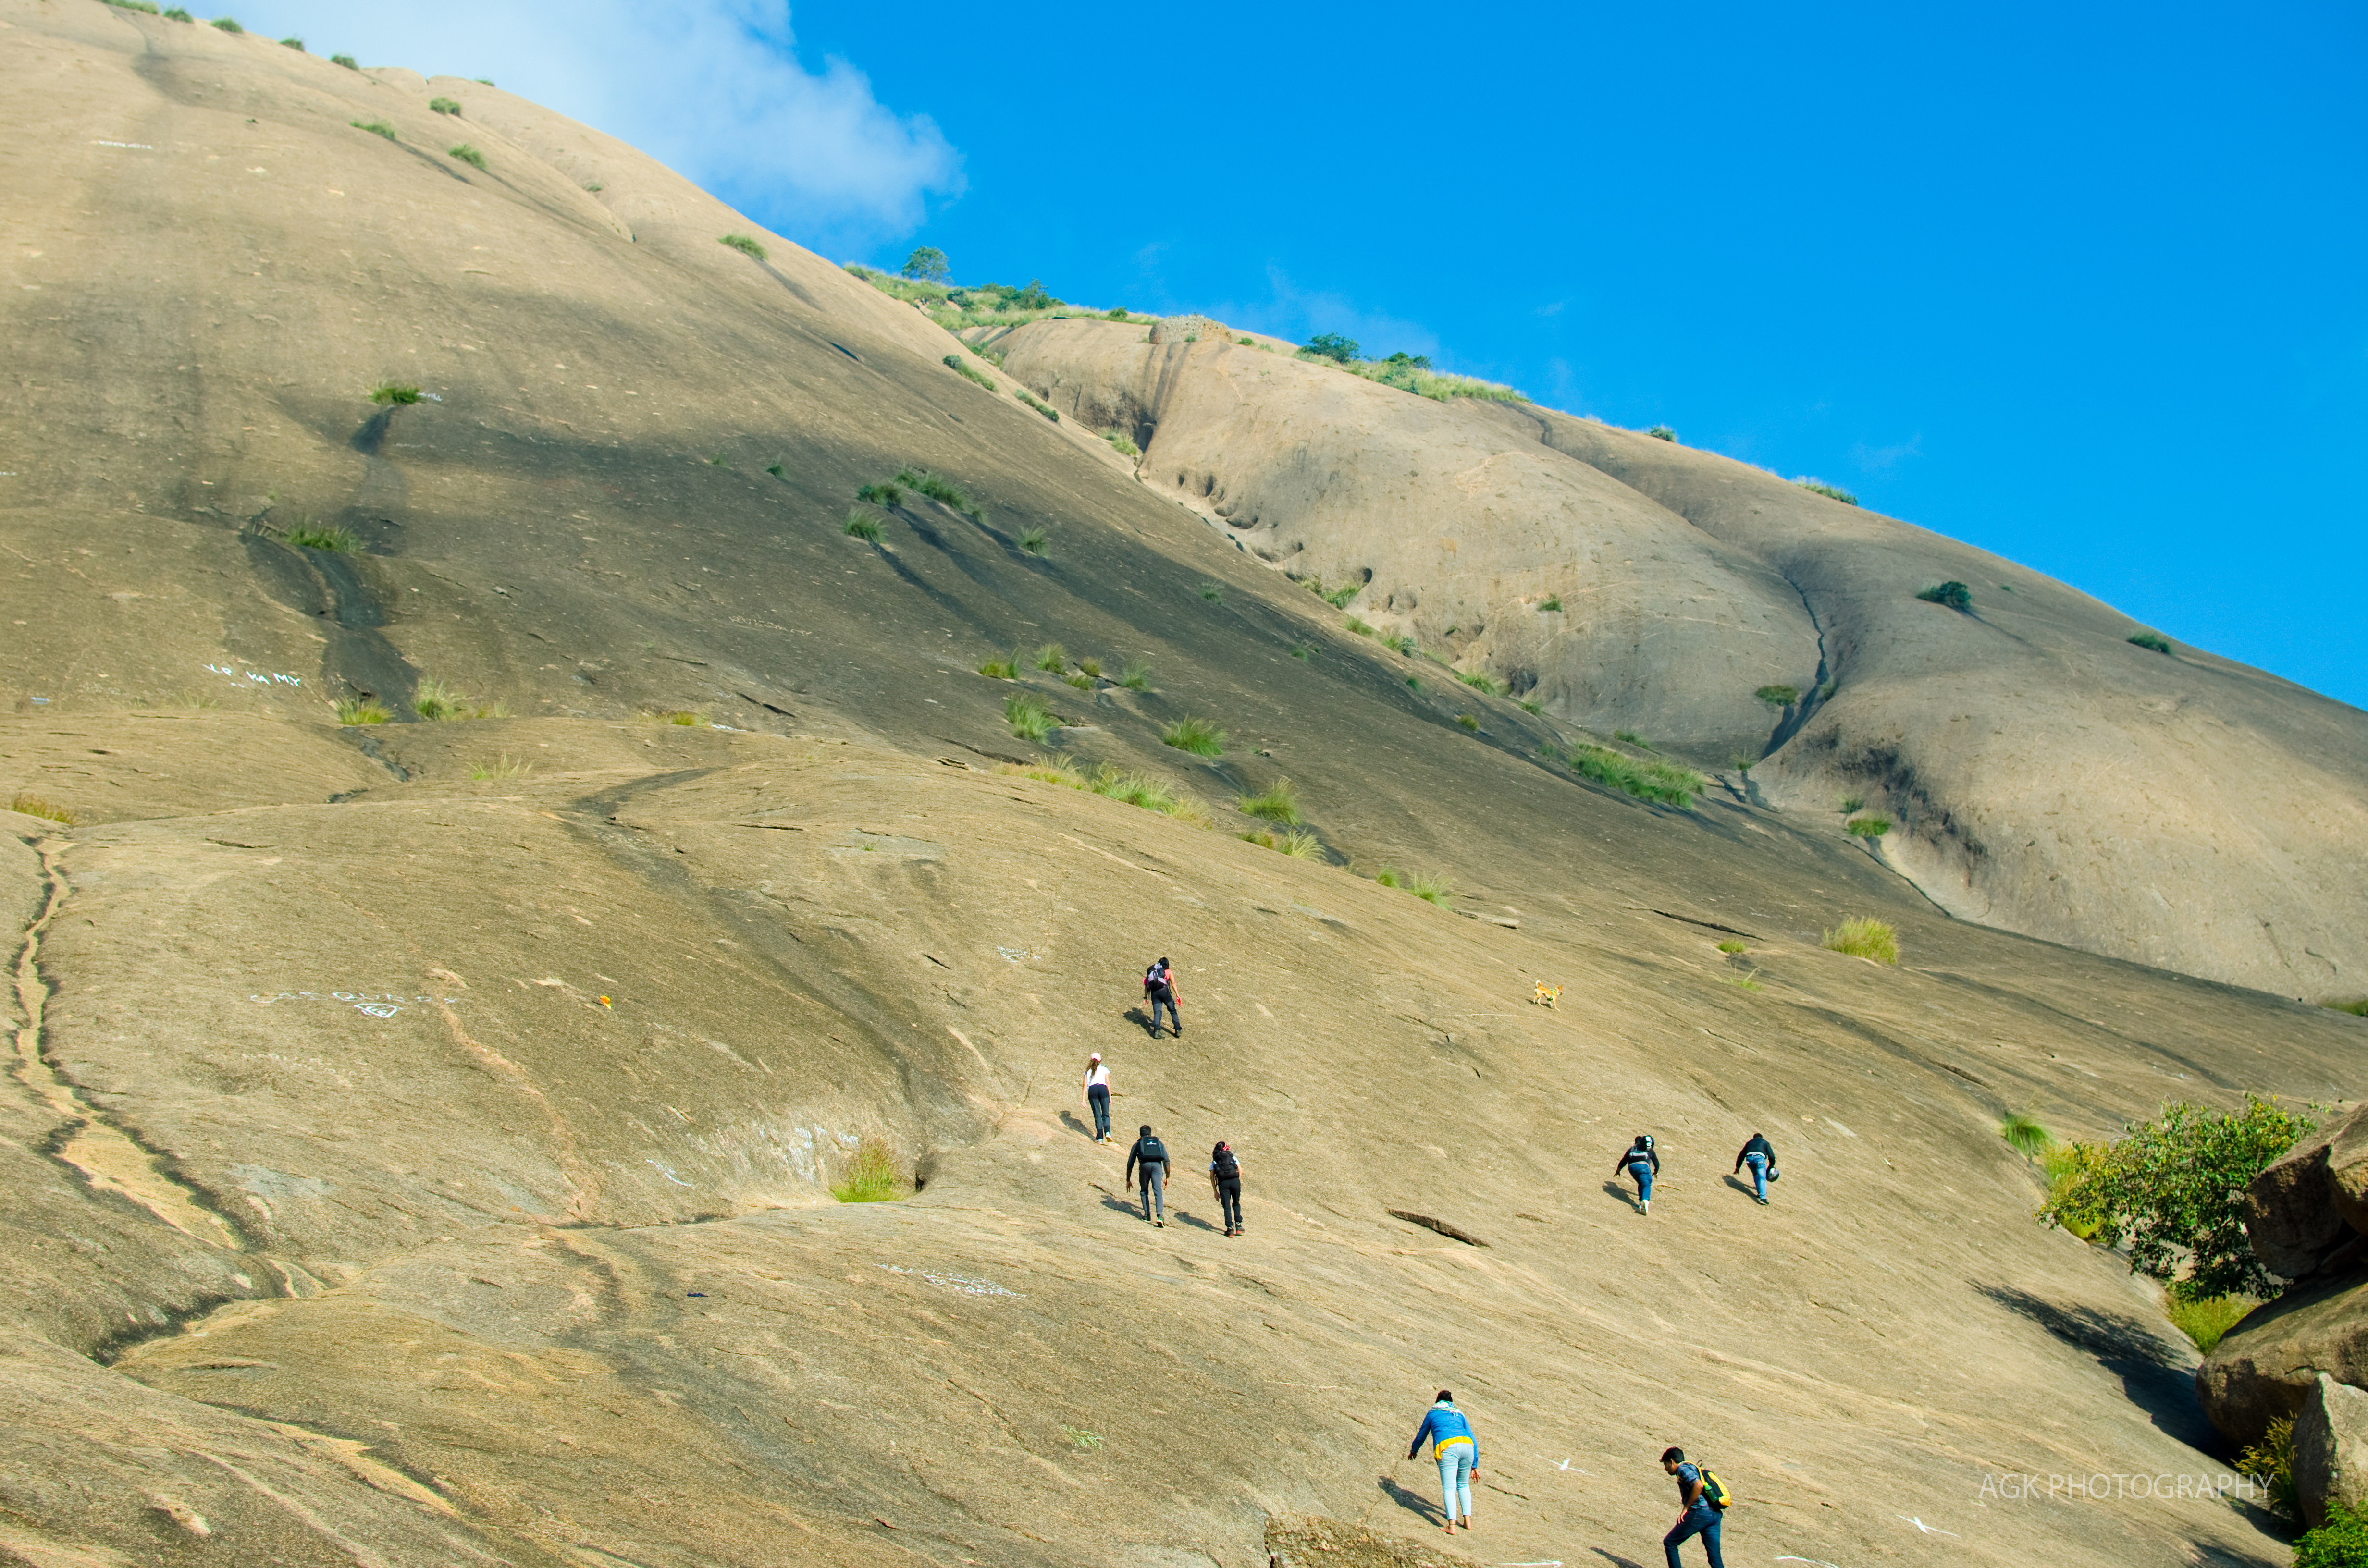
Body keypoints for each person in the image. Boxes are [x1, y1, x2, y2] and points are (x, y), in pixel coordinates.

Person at [1406, 1390, 1479, 1535]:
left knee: (1449, 1487)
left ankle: (1452, 1526)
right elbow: (1473, 1437)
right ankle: (1468, 1521)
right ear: (1451, 1402)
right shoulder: (1459, 1414)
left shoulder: (1433, 1413)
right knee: (1463, 1485)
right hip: (1467, 1445)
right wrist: (1474, 1465)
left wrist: (1414, 1450)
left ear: (1437, 1401)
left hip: (1447, 1447)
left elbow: (1422, 1434)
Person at [1660, 1447, 1725, 1568]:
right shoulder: (1693, 1467)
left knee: (1670, 1542)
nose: (1665, 1469)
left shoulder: (1682, 1469)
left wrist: (1685, 1508)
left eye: (1666, 1464)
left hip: (1701, 1513)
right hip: (1714, 1515)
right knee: (1715, 1558)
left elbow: (1698, 1485)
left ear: (1672, 1461)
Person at [1125, 1124, 1170, 1225]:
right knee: (1158, 1191)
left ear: (1140, 1135)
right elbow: (1166, 1160)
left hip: (1144, 1166)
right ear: (1151, 1134)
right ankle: (1160, 1216)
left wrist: (1128, 1179)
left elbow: (1130, 1163)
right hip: (1157, 1167)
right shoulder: (1159, 1143)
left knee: (1144, 1191)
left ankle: (1147, 1215)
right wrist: (1168, 1177)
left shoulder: (1138, 1144)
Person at [1615, 1133, 1660, 1214]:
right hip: (1643, 1167)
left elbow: (1624, 1161)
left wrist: (1618, 1171)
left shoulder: (1632, 1149)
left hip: (1632, 1169)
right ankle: (1645, 1201)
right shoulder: (1650, 1151)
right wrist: (1656, 1171)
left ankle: (1641, 1203)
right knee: (1647, 1183)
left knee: (1641, 1183)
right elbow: (1656, 1162)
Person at [1732, 1132, 1777, 1205]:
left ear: (1754, 1138)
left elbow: (1741, 1155)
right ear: (1761, 1138)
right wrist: (1771, 1166)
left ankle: (1760, 1193)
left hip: (1749, 1159)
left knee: (1756, 1175)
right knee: (1762, 1177)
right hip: (1759, 1158)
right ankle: (1763, 1198)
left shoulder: (1749, 1143)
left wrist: (1738, 1167)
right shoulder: (1765, 1142)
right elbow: (1771, 1156)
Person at [1209, 1140, 1244, 1237]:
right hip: (1235, 1181)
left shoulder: (1215, 1160)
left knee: (1227, 1206)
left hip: (1223, 1184)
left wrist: (1215, 1191)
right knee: (1236, 1203)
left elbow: (1212, 1176)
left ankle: (1230, 1229)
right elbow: (1241, 1171)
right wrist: (1238, 1181)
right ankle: (1239, 1226)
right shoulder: (1232, 1157)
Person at [1144, 957, 1181, 1039]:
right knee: (1172, 1010)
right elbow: (1173, 984)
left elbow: (1147, 985)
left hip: (1154, 994)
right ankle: (1178, 1029)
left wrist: (1146, 997)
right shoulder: (1169, 972)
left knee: (1158, 1012)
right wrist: (1178, 995)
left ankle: (1157, 1032)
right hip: (1164, 993)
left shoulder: (1153, 971)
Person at [1082, 1054, 1112, 1143]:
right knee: (1105, 1114)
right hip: (1103, 1089)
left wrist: (1083, 1099)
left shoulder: (1088, 1071)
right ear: (1100, 1060)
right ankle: (1107, 1132)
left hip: (1093, 1090)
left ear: (1091, 1060)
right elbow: (1107, 1082)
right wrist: (1110, 1096)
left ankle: (1100, 1138)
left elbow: (1085, 1085)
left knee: (1097, 1115)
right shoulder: (1104, 1069)